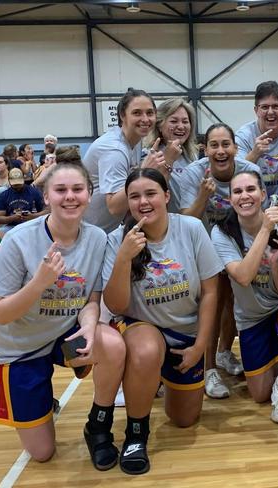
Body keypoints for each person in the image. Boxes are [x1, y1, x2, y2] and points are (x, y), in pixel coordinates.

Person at [0, 161, 125, 470]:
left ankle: (99, 424)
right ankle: (40, 398)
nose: (70, 197)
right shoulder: (18, 241)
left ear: (90, 195)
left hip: (62, 337)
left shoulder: (96, 239)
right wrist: (39, 283)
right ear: (46, 196)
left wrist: (90, 326)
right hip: (19, 348)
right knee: (42, 452)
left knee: (113, 344)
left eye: (78, 189)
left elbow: (92, 298)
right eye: (60, 190)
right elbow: (1, 312)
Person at [103, 168, 222, 475]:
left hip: (185, 334)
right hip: (143, 328)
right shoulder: (117, 240)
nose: (143, 201)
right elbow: (115, 304)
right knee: (145, 352)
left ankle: (153, 380)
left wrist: (200, 347)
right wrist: (123, 258)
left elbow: (211, 292)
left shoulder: (191, 228)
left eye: (151, 193)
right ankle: (136, 433)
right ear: (127, 202)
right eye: (134, 196)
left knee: (183, 420)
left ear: (166, 197)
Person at [212, 171, 278, 420]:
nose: (245, 196)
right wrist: (266, 229)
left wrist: (276, 265)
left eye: (251, 190)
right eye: (237, 191)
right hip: (251, 318)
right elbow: (243, 276)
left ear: (263, 194)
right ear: (231, 199)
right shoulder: (222, 232)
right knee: (259, 394)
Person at [177, 123, 261, 399]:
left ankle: (225, 352)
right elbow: (187, 218)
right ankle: (209, 367)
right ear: (206, 149)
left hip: (236, 243)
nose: (221, 150)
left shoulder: (251, 173)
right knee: (213, 303)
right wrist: (203, 195)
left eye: (226, 144)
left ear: (236, 149)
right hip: (201, 244)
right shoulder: (192, 173)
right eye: (214, 145)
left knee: (235, 299)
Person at [83, 88, 166, 234]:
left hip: (103, 230)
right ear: (123, 115)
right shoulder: (114, 151)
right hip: (86, 233)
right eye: (137, 113)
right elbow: (114, 207)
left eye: (150, 113)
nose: (145, 119)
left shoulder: (135, 140)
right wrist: (144, 171)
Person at [235, 81, 278, 200]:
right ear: (256, 110)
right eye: (265, 107)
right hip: (253, 204)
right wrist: (254, 154)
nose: (270, 112)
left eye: (276, 106)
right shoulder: (243, 136)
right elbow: (236, 176)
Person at [146, 97, 198, 212]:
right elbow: (152, 192)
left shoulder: (191, 156)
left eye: (185, 121)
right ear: (160, 125)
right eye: (174, 121)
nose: (181, 126)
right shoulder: (149, 156)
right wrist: (168, 159)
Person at [0, 168, 48, 235]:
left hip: (32, 225)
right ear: (9, 181)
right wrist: (13, 218)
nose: (17, 186)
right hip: (12, 226)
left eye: (19, 184)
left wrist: (32, 216)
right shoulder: (4, 195)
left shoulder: (34, 192)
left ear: (23, 180)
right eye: (15, 184)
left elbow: (47, 211)